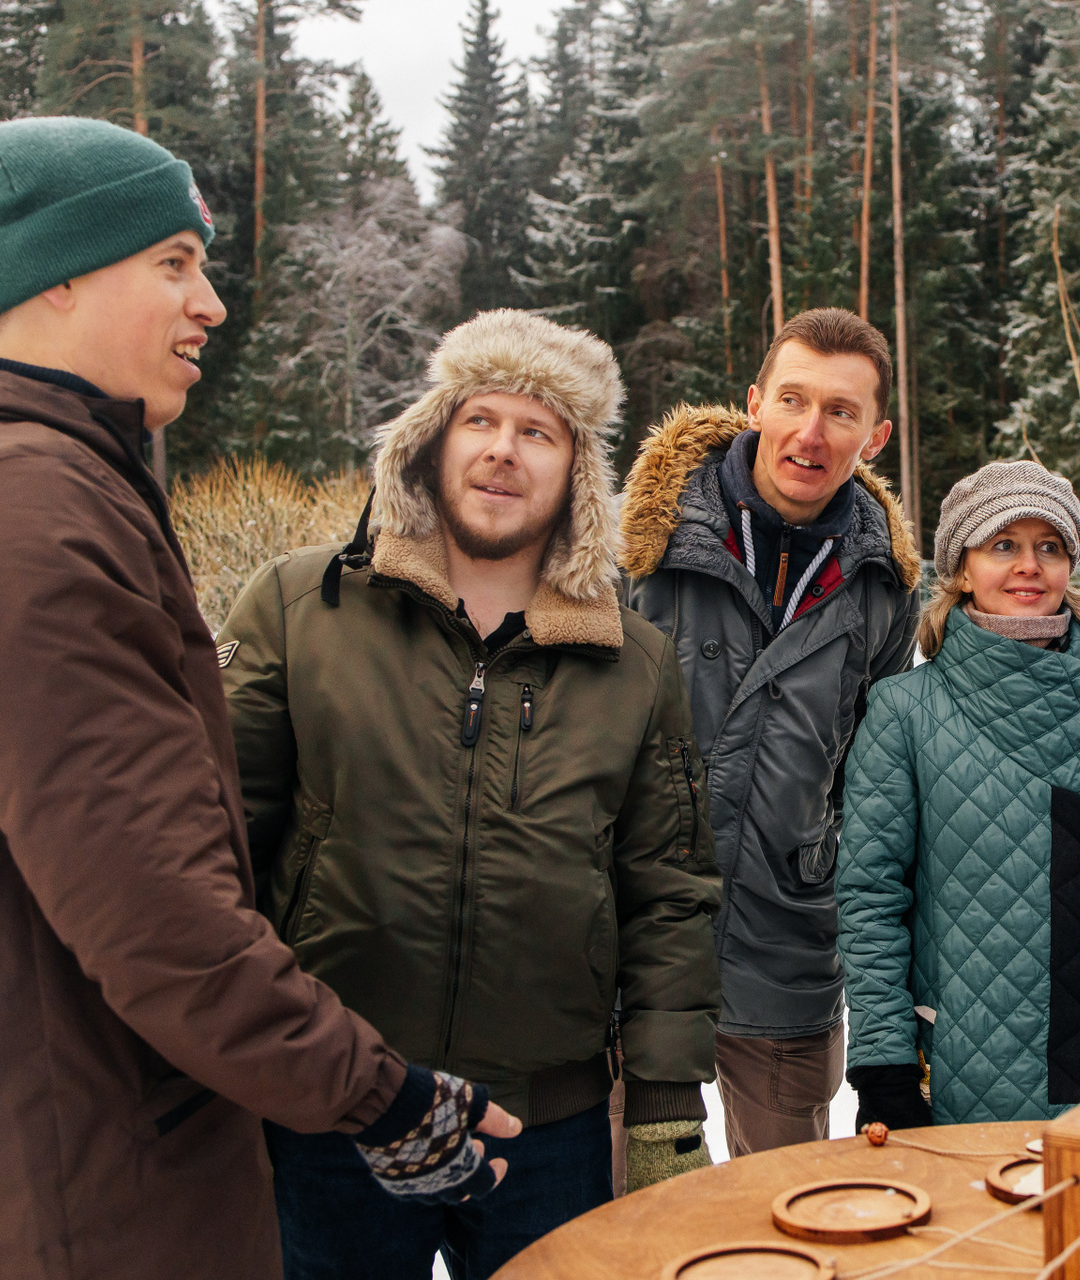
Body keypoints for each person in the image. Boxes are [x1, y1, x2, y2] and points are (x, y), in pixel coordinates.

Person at [0, 117, 515, 1280]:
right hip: (81, 1191)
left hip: (64, 1140)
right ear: (59, 273)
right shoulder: (18, 513)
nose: (211, 304)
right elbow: (152, 906)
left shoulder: (20, 482)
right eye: (174, 263)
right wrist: (377, 1092)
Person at [218, 310, 721, 1279]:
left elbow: (669, 894)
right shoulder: (299, 607)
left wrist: (664, 1106)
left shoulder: (634, 660)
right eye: (479, 419)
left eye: (539, 431)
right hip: (339, 1106)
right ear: (430, 440)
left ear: (576, 472)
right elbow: (219, 852)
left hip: (548, 1127)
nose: (502, 450)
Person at [621, 307, 921, 1155]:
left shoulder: (885, 589)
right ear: (755, 403)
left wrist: (820, 869)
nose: (810, 432)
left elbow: (873, 781)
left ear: (876, 436)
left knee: (790, 1195)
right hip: (632, 938)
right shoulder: (639, 545)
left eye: (841, 411)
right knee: (626, 1202)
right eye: (793, 400)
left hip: (787, 943)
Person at [838, 461, 1080, 1126]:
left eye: (1049, 547)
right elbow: (871, 900)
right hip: (950, 1072)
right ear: (962, 569)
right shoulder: (904, 712)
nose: (1029, 565)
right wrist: (884, 1067)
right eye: (1003, 544)